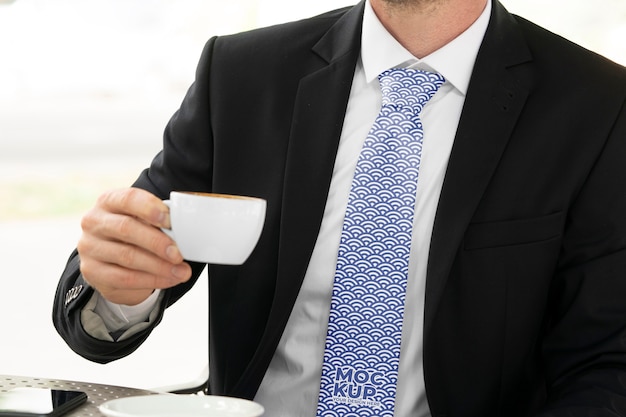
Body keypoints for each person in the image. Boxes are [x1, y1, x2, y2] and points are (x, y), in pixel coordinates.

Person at [53, 0, 626, 415]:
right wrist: (122, 288)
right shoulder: (241, 73)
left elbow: (607, 364)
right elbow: (114, 281)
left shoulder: (597, 105)